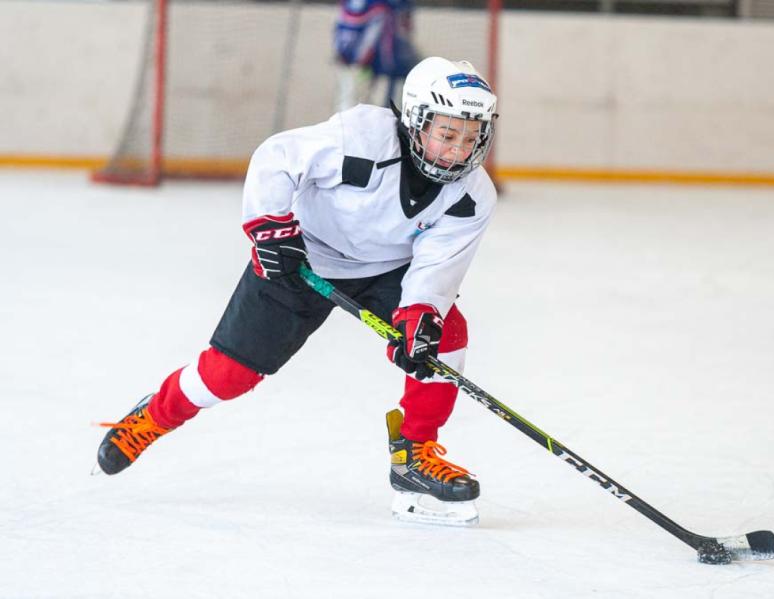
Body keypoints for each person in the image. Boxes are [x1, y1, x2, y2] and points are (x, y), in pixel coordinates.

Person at [96, 56, 499, 527]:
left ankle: (415, 454)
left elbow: (437, 265)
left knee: (443, 334)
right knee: (227, 375)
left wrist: (420, 315)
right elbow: (277, 159)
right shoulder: (361, 136)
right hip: (300, 257)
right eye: (447, 135)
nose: (458, 151)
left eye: (471, 138)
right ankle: (155, 415)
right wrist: (270, 227)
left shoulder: (472, 195)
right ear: (414, 120)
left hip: (386, 269)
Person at [333, 0, 418, 112]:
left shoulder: (382, 6)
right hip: (362, 60)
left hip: (376, 60)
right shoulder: (374, 6)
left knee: (364, 98)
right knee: (352, 97)